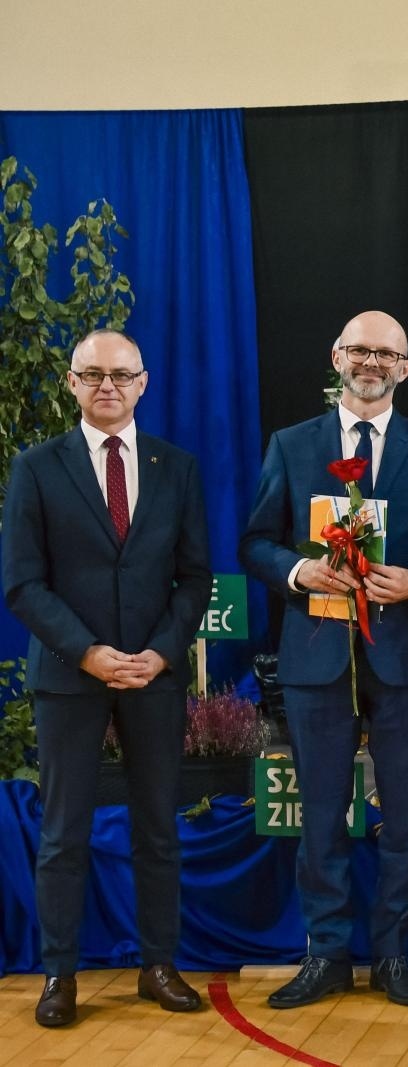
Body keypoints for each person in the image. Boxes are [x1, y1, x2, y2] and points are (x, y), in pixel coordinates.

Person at [239, 311, 408, 1008]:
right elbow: (254, 542)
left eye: (387, 353)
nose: (371, 361)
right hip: (316, 654)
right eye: (360, 349)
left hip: (402, 655)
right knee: (318, 814)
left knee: (405, 815)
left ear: (405, 368)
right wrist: (296, 572)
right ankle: (326, 954)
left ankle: (395, 953)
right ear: (337, 355)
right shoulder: (291, 444)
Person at [2, 330, 212, 1027]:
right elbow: (23, 584)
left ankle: (159, 964)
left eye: (121, 375)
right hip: (70, 675)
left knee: (158, 827)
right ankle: (59, 973)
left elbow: (195, 576)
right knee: (63, 831)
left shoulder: (176, 467)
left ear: (143, 382)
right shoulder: (36, 466)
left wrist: (160, 651)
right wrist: (88, 650)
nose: (107, 386)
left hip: (153, 674)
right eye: (92, 374)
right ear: (71, 382)